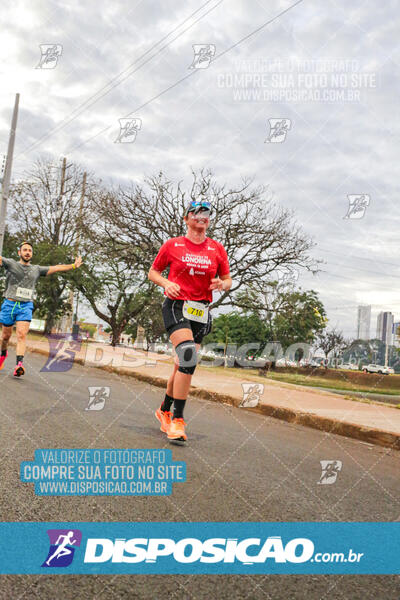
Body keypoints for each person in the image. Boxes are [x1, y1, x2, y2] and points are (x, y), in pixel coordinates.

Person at [148, 200, 232, 443]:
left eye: (206, 213)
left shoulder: (216, 248)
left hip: (201, 311)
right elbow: (153, 272)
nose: (202, 216)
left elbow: (227, 280)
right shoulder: (172, 245)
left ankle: (163, 410)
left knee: (181, 365)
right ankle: (178, 420)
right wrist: (166, 283)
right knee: (187, 357)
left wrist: (221, 284)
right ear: (186, 219)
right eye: (196, 212)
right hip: (176, 305)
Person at [0, 241, 82, 377]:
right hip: (9, 305)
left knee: (21, 334)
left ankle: (19, 365)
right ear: (19, 253)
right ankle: (3, 353)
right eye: (25, 250)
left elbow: (56, 268)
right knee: (5, 336)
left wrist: (73, 266)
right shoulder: (11, 263)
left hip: (25, 306)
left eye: (30, 251)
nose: (27, 252)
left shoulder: (36, 269)